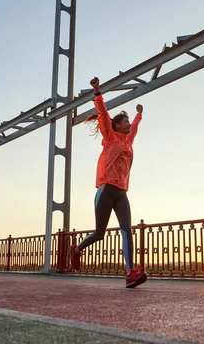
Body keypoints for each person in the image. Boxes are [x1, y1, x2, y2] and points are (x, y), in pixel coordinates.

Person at [70, 77, 147, 289]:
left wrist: (139, 115)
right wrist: (97, 91)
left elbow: (135, 129)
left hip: (121, 192)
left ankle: (130, 273)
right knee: (100, 233)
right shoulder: (110, 137)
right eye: (126, 121)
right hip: (105, 190)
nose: (128, 124)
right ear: (116, 125)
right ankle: (76, 250)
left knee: (126, 231)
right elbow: (103, 114)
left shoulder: (128, 141)